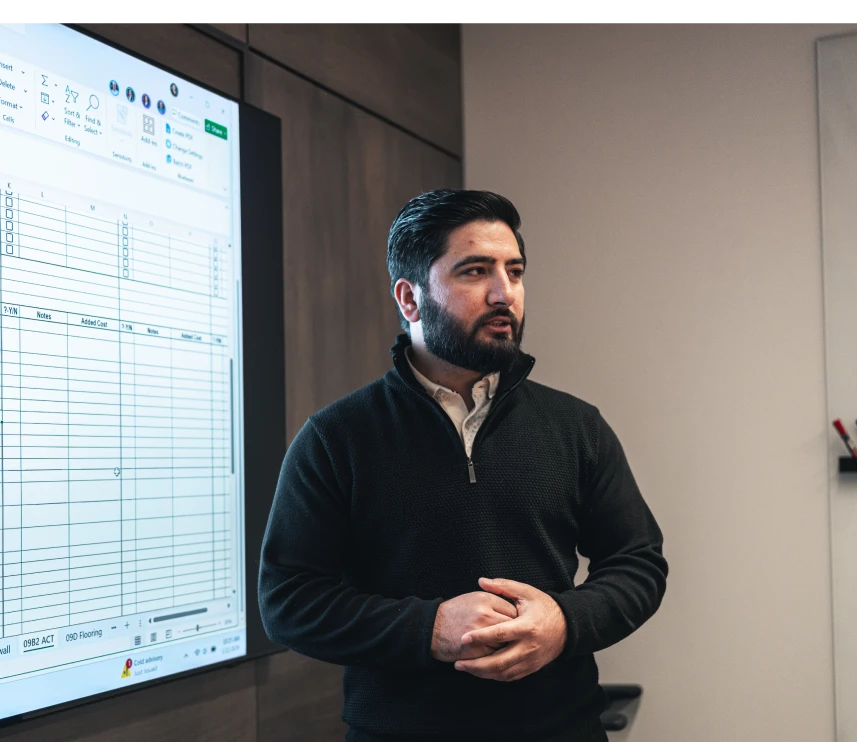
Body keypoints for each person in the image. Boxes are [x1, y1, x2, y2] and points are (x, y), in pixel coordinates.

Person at [259, 189, 668, 741]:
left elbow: (638, 563)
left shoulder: (576, 427)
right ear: (410, 299)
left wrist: (564, 623)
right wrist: (429, 629)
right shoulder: (337, 438)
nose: (505, 294)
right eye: (475, 271)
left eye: (515, 272)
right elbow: (288, 600)